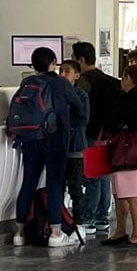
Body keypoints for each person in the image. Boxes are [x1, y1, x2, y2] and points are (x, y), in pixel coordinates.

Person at [9, 46, 72, 248]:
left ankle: (19, 233)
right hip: (55, 140)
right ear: (53, 62)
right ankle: (55, 232)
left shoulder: (26, 83)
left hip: (30, 139)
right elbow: (79, 109)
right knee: (54, 184)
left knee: (28, 182)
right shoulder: (60, 83)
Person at [73, 42, 123, 237]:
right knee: (104, 176)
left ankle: (89, 218)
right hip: (109, 133)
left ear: (81, 60)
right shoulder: (110, 80)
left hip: (93, 132)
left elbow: (79, 104)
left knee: (93, 175)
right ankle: (102, 216)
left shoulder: (86, 81)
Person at [102, 61, 137, 246]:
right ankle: (122, 231)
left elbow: (124, 121)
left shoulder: (131, 97)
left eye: (124, 77)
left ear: (129, 79)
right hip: (130, 150)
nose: (121, 81)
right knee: (122, 192)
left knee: (131, 194)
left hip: (128, 150)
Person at [54, 58, 92, 235]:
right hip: (60, 148)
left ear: (77, 75)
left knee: (76, 186)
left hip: (76, 148)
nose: (62, 74)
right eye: (61, 70)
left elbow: (82, 119)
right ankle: (60, 218)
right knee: (58, 186)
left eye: (67, 71)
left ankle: (79, 220)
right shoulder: (56, 93)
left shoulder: (81, 95)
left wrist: (63, 123)